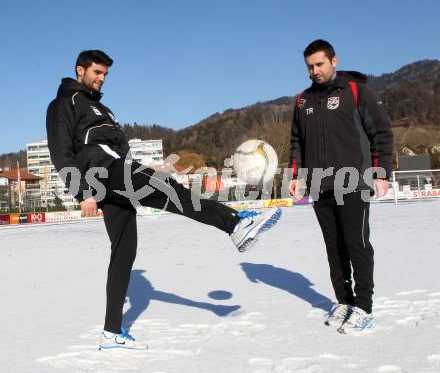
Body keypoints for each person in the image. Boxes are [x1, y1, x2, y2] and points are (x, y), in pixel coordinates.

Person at [46, 50, 281, 350]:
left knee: (124, 251)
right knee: (171, 190)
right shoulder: (64, 103)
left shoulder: (102, 109)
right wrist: (82, 192)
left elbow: (119, 152)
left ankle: (111, 333)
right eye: (96, 73)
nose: (102, 79)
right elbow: (60, 151)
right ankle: (234, 224)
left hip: (116, 173)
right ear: (80, 70)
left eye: (105, 74)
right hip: (102, 174)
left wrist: (146, 169)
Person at [289, 40, 393, 333]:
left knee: (356, 244)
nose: (314, 71)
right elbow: (296, 142)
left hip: (354, 181)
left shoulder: (356, 91)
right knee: (333, 248)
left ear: (334, 60)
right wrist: (295, 175)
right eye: (309, 66)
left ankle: (364, 308)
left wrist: (381, 171)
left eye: (319, 64)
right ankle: (344, 302)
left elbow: (382, 132)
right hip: (320, 186)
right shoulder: (302, 101)